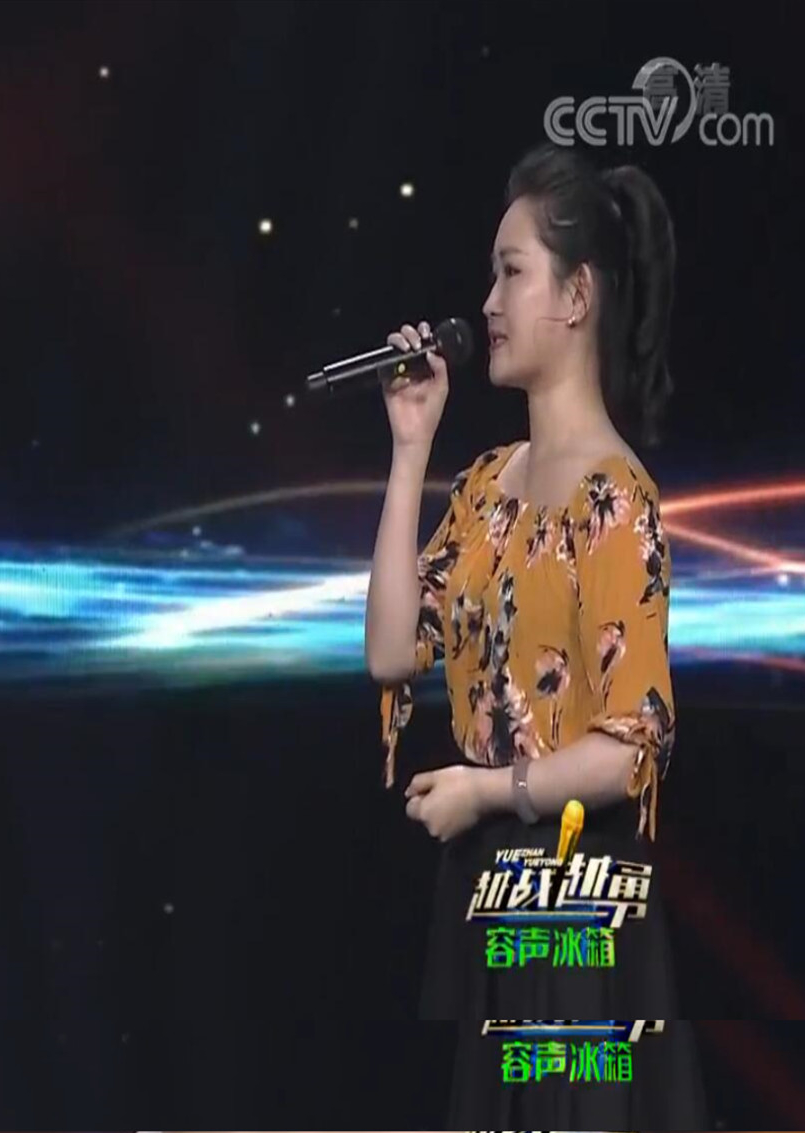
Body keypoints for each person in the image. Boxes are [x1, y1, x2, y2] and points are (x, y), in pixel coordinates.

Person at [363, 142, 708, 1127]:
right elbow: (390, 650)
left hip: (576, 894)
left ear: (577, 295)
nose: (489, 303)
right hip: (490, 889)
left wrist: (486, 790)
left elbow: (630, 746)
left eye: (512, 273)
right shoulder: (485, 484)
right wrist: (411, 448)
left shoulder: (617, 498)